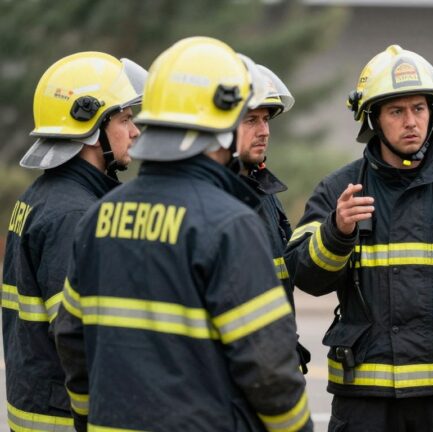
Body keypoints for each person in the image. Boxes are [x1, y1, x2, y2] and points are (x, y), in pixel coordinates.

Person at [53, 36, 312, 432]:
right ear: (224, 125)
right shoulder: (230, 224)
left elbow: (72, 339)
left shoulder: (98, 217)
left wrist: (89, 418)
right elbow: (269, 370)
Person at [285, 44, 433, 431]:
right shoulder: (339, 190)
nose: (411, 121)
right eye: (397, 111)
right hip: (365, 397)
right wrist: (336, 232)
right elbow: (305, 278)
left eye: (419, 109)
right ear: (373, 118)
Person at [2, 51, 145, 431]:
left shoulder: (44, 195)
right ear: (91, 124)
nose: (134, 132)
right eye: (125, 119)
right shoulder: (74, 214)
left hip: (39, 405)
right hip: (64, 417)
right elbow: (80, 335)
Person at [234, 55, 311, 373]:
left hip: (274, 365)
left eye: (266, 119)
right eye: (251, 120)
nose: (264, 131)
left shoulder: (264, 193)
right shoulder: (210, 202)